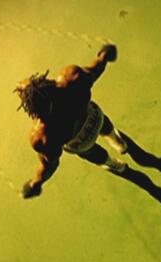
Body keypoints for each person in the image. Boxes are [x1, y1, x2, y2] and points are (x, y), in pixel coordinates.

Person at [15, 44, 132, 199]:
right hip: (94, 118)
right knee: (105, 126)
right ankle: (119, 143)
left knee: (94, 154)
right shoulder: (72, 77)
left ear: (33, 110)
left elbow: (50, 165)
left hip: (81, 141)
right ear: (46, 82)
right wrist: (103, 56)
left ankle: (115, 165)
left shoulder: (40, 136)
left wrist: (36, 183)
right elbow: (96, 69)